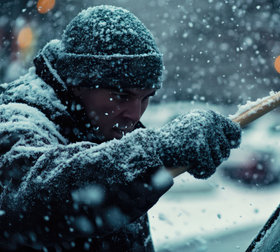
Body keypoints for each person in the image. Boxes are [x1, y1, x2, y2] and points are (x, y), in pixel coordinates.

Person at [0, 5, 241, 252]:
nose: (135, 114)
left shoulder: (104, 134)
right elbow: (34, 196)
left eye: (146, 97)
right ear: (76, 84)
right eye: (121, 95)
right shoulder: (14, 119)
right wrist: (158, 152)